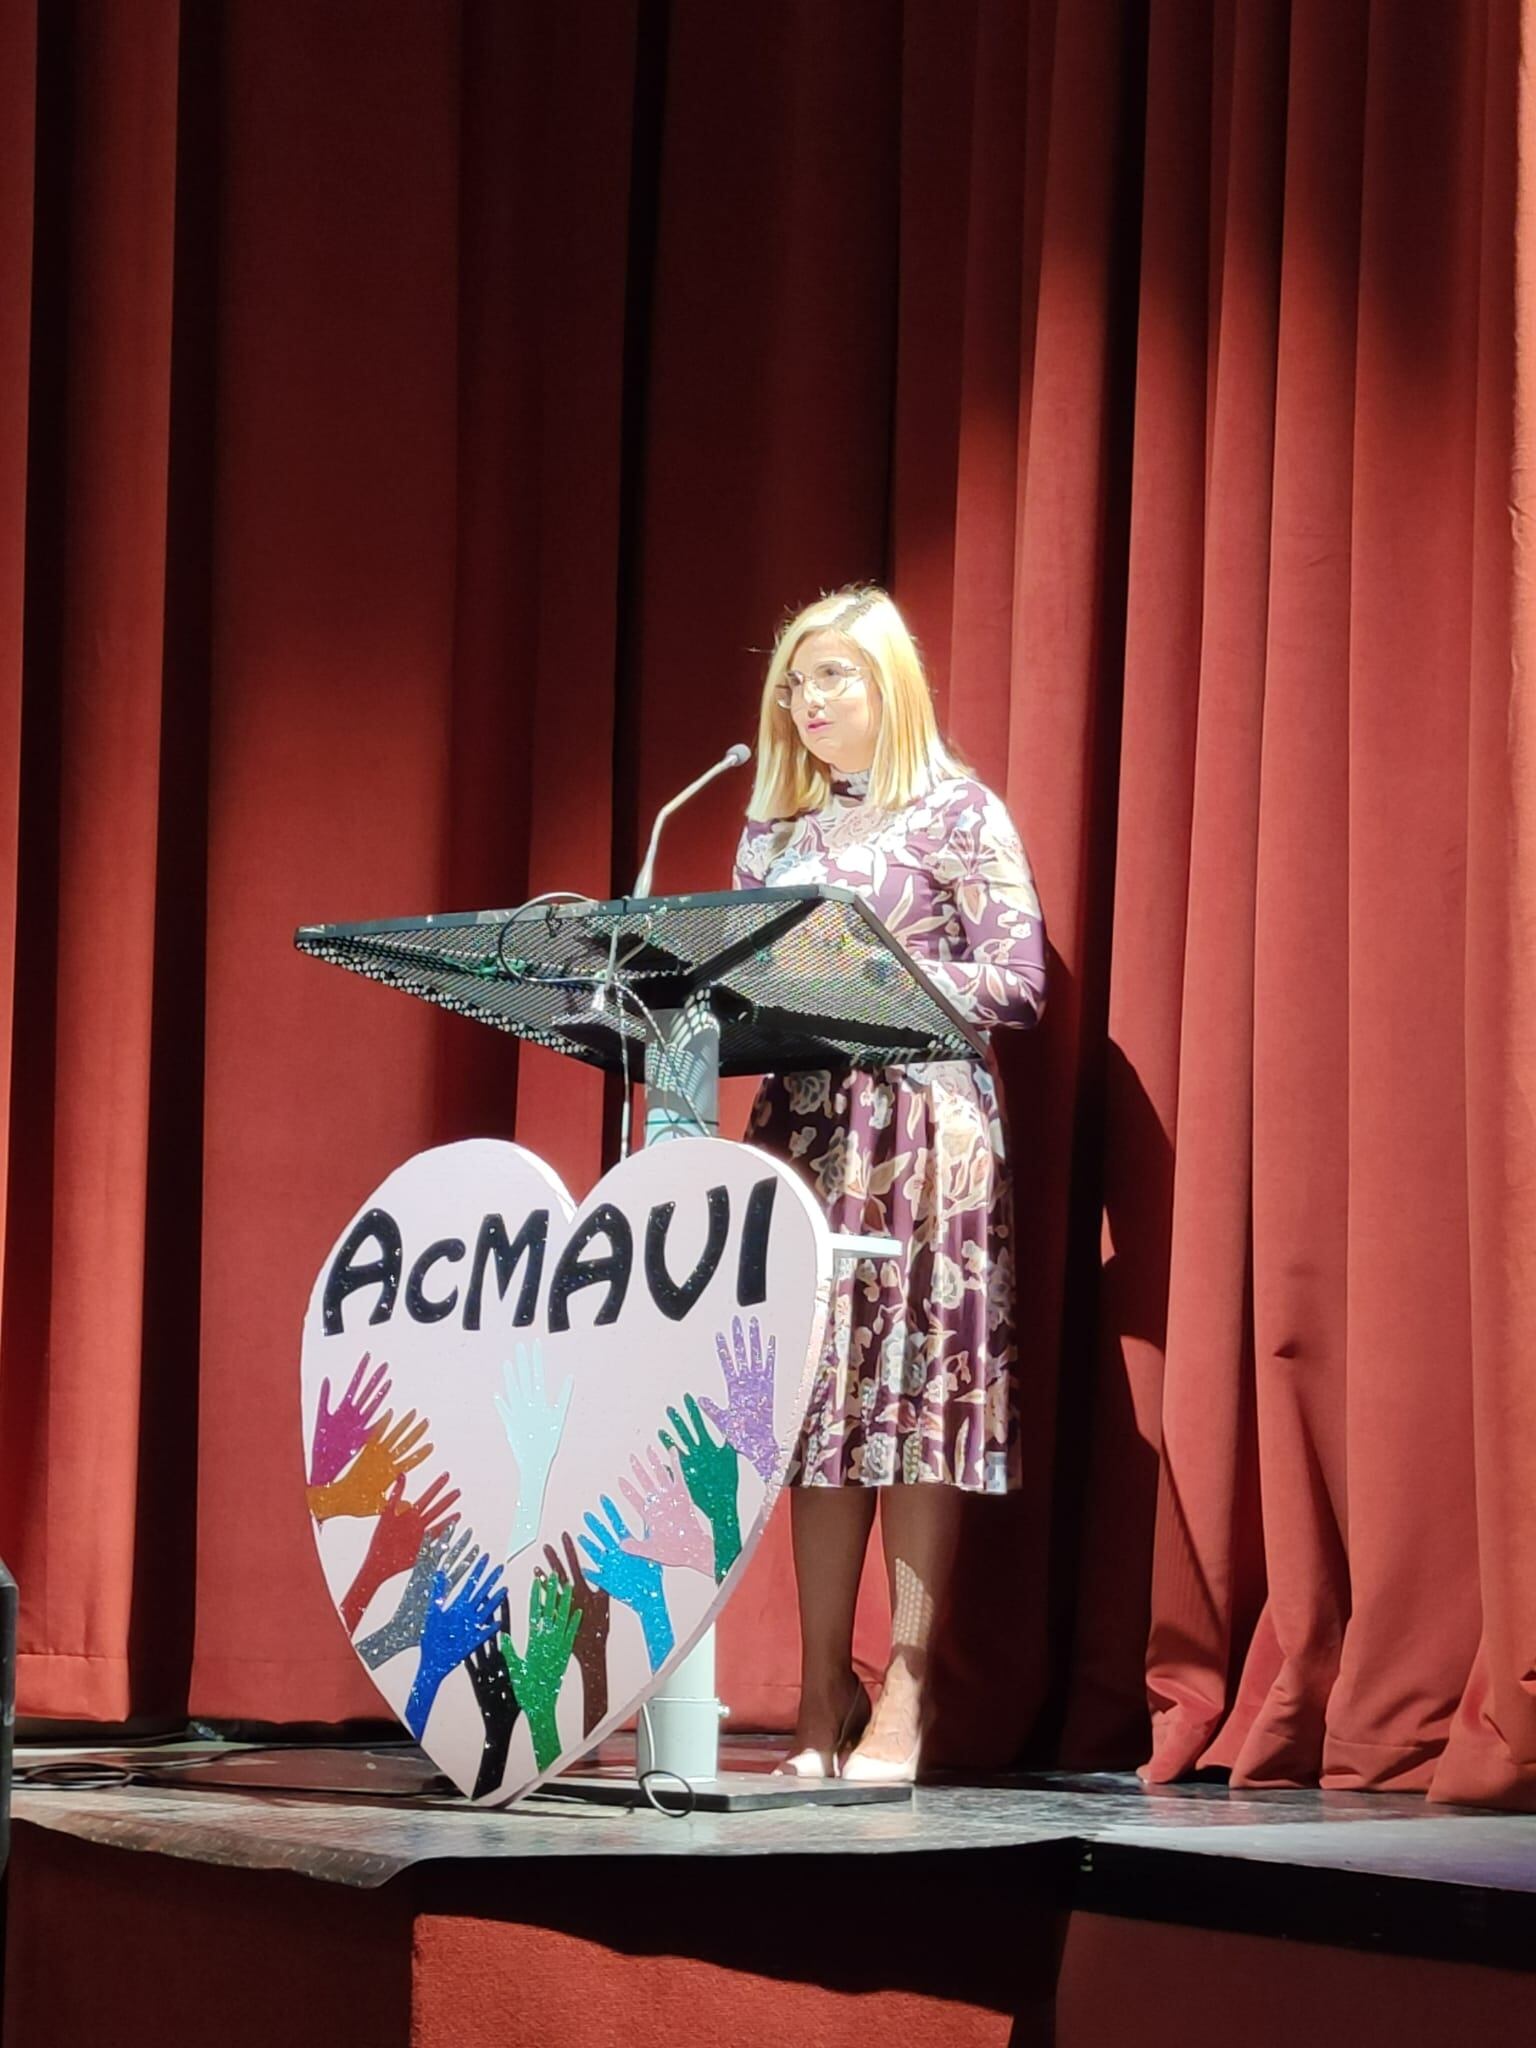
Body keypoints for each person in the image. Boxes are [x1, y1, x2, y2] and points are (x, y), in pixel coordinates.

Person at [732, 585, 1047, 1783]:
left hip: (927, 1139)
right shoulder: (769, 835)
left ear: (889, 686)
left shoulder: (959, 811)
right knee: (819, 1415)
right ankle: (821, 1687)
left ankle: (907, 1688)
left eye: (832, 678)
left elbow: (1019, 977)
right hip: (808, 1135)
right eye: (794, 684)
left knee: (917, 1406)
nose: (807, 703)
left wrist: (880, 968)